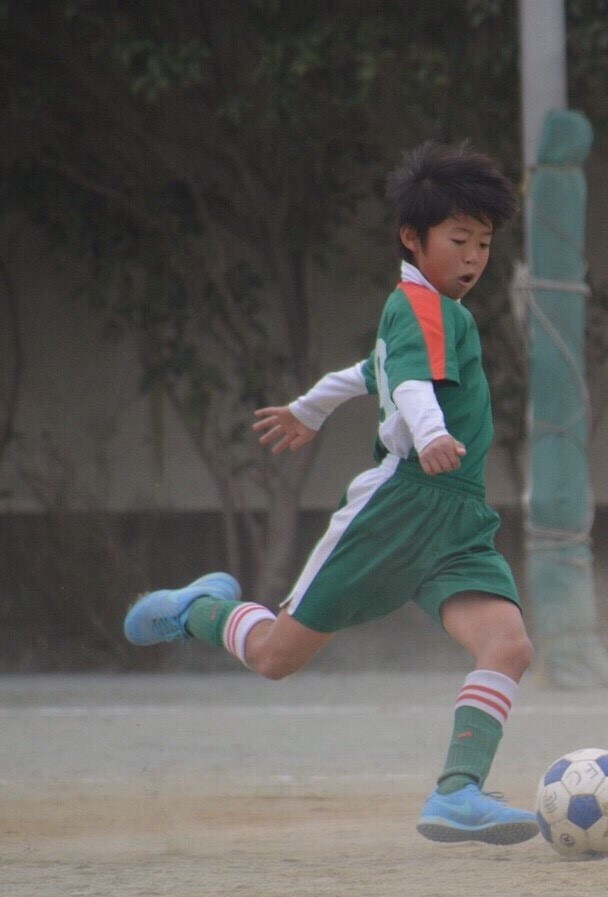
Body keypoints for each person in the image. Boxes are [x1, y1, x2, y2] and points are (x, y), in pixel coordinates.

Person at [124, 141, 540, 845]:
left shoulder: (439, 314)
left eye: (485, 243)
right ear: (413, 238)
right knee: (276, 658)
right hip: (402, 503)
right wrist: (432, 431)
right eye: (459, 239)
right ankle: (200, 609)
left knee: (508, 645)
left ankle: (457, 794)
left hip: (458, 513)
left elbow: (367, 370)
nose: (473, 257)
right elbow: (407, 384)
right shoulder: (419, 305)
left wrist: (309, 408)